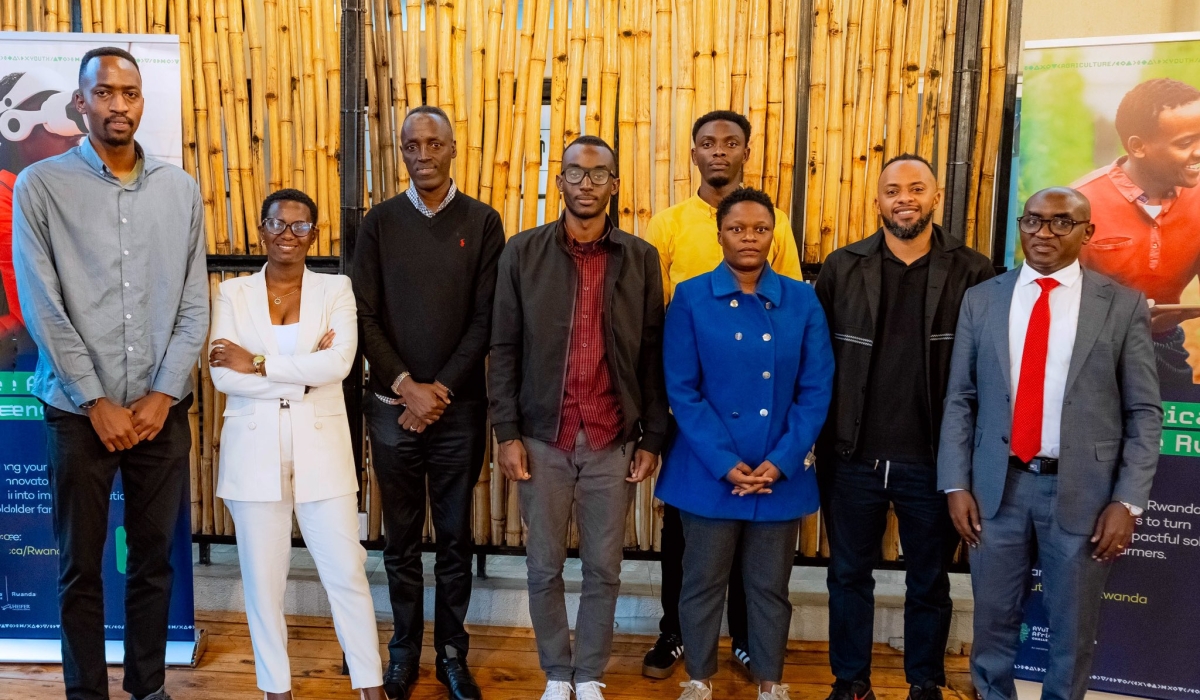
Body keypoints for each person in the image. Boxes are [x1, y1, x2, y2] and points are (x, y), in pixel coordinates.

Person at [11, 48, 208, 700]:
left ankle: (147, 688)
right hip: (77, 414)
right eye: (104, 93)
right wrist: (96, 400)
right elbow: (42, 306)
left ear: (142, 100)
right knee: (80, 568)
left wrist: (162, 394)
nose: (118, 105)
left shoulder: (180, 189)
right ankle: (86, 694)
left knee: (153, 562)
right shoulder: (41, 186)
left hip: (160, 414)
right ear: (80, 102)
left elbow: (193, 305)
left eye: (129, 92)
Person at [939, 187, 1161, 700]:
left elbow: (1144, 412)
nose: (1043, 232)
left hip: (1084, 493)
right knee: (992, 623)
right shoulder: (983, 299)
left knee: (1072, 631)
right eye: (1033, 220)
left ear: (1088, 232)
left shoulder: (1121, 305)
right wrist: (955, 483)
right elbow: (961, 398)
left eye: (1061, 222)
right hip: (998, 489)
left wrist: (1127, 502)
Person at [489, 135, 668, 700]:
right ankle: (555, 672)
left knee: (604, 568)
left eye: (598, 173)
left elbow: (652, 351)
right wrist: (507, 432)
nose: (585, 183)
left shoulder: (639, 257)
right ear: (559, 180)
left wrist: (652, 436)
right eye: (574, 172)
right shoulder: (522, 252)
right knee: (542, 566)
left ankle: (588, 673)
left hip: (612, 437)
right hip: (544, 436)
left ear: (614, 183)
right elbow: (504, 347)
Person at [813, 154, 994, 700]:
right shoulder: (843, 267)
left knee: (930, 582)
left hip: (935, 461)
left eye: (916, 188)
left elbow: (988, 372)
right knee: (848, 576)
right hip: (852, 457)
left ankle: (924, 684)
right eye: (892, 190)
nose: (904, 199)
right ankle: (851, 682)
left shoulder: (973, 271)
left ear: (935, 197)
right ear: (878, 201)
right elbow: (817, 363)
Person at [642, 109, 802, 679]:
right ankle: (676, 632)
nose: (718, 151)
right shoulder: (667, 225)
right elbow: (651, 312)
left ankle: (745, 638)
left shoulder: (775, 221)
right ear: (693, 153)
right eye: (707, 143)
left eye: (730, 143)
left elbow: (788, 302)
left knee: (752, 532)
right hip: (688, 398)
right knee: (686, 531)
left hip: (760, 401)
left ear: (745, 153)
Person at [351, 105, 504, 700]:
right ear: (402, 152)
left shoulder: (483, 222)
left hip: (458, 408)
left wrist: (437, 391)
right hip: (392, 407)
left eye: (433, 143)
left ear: (453, 148)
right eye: (411, 145)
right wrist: (405, 386)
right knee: (401, 540)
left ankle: (452, 655)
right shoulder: (380, 222)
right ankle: (403, 653)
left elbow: (486, 317)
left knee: (456, 539)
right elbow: (363, 313)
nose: (422, 155)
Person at [207, 189, 385, 700]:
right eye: (277, 224)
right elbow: (223, 375)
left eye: (300, 225)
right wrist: (305, 376)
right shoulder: (232, 293)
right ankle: (276, 690)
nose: (288, 234)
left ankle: (370, 686)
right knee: (264, 583)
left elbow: (340, 365)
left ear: (314, 233)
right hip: (252, 452)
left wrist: (258, 363)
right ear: (261, 230)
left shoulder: (336, 289)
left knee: (346, 572)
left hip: (323, 450)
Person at [657, 187, 833, 700]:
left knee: (770, 587)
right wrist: (724, 460)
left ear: (774, 235)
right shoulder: (691, 297)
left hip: (779, 472)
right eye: (737, 228)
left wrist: (782, 460)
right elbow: (682, 389)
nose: (749, 237)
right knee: (701, 582)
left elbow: (816, 387)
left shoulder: (802, 299)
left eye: (760, 228)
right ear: (720, 235)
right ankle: (698, 679)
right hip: (708, 470)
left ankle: (771, 682)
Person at [1074, 78, 1200, 382]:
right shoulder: (1080, 203)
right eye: (1185, 143)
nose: (1198, 152)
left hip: (1165, 345)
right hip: (1092, 350)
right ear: (1138, 147)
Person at [0, 67, 87, 325]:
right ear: (13, 125)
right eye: (57, 118)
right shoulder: (6, 201)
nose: (75, 135)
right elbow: (35, 311)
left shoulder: (47, 197)